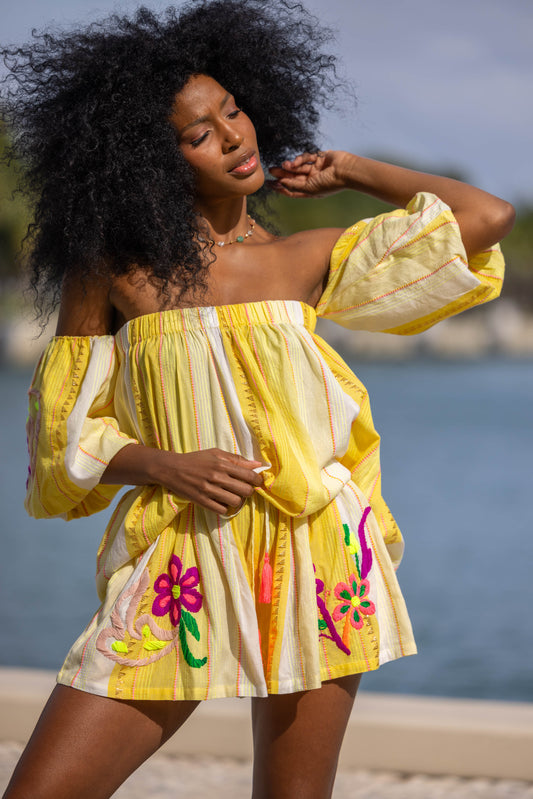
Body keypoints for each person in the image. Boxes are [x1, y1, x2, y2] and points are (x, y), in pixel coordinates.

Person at [1, 1, 514, 797]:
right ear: (147, 158)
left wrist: (352, 170)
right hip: (180, 554)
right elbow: (62, 430)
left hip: (316, 551)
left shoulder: (306, 257)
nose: (234, 137)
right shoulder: (114, 268)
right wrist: (163, 465)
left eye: (233, 111)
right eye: (197, 134)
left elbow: (485, 217)